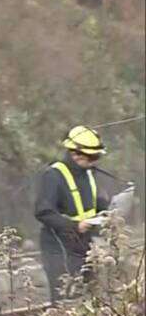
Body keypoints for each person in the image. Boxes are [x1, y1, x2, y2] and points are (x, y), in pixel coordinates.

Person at [34, 125, 110, 302]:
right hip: (58, 247)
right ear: (75, 154)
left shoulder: (88, 173)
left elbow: (94, 203)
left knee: (90, 298)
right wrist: (75, 226)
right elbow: (43, 212)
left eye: (96, 157)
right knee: (66, 299)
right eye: (91, 157)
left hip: (85, 245)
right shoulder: (53, 175)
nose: (94, 162)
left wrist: (106, 213)